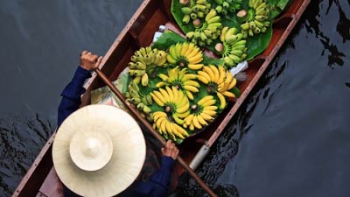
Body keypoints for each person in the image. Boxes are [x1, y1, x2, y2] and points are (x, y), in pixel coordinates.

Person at [57, 50, 179, 197]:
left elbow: (66, 106)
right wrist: (167, 161)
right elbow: (155, 191)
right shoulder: (117, 188)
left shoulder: (67, 142)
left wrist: (83, 70)